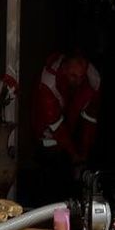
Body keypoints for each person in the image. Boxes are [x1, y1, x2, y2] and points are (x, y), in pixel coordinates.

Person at [32, 52, 101, 204]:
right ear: (63, 70)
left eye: (81, 77)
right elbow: (55, 126)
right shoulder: (48, 83)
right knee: (51, 170)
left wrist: (84, 152)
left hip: (72, 122)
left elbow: (90, 120)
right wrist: (74, 154)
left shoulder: (93, 80)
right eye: (73, 76)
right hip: (48, 132)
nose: (78, 81)